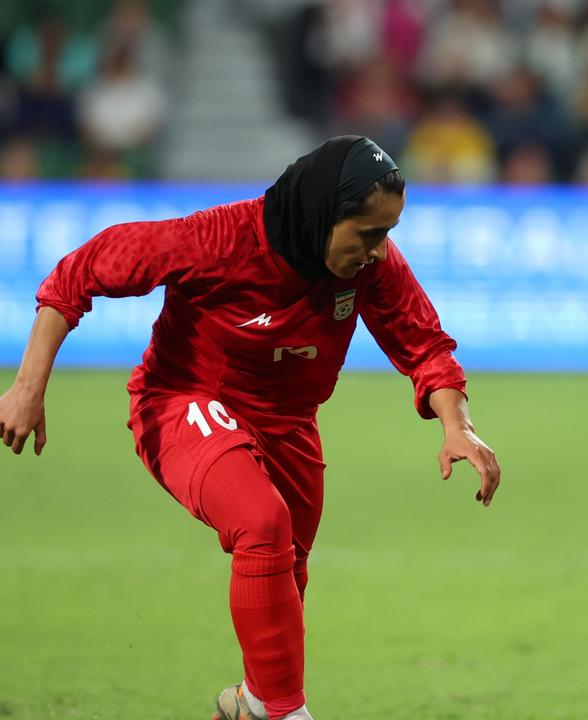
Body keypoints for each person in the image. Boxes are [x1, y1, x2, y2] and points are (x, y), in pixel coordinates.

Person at [0, 136, 502, 720]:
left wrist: (458, 426)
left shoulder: (373, 266)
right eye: (367, 233)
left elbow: (425, 346)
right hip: (185, 401)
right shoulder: (218, 240)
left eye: (387, 233)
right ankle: (288, 713)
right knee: (263, 522)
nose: (378, 250)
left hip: (290, 427)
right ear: (322, 215)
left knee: (286, 576)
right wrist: (28, 386)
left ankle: (254, 705)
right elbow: (80, 272)